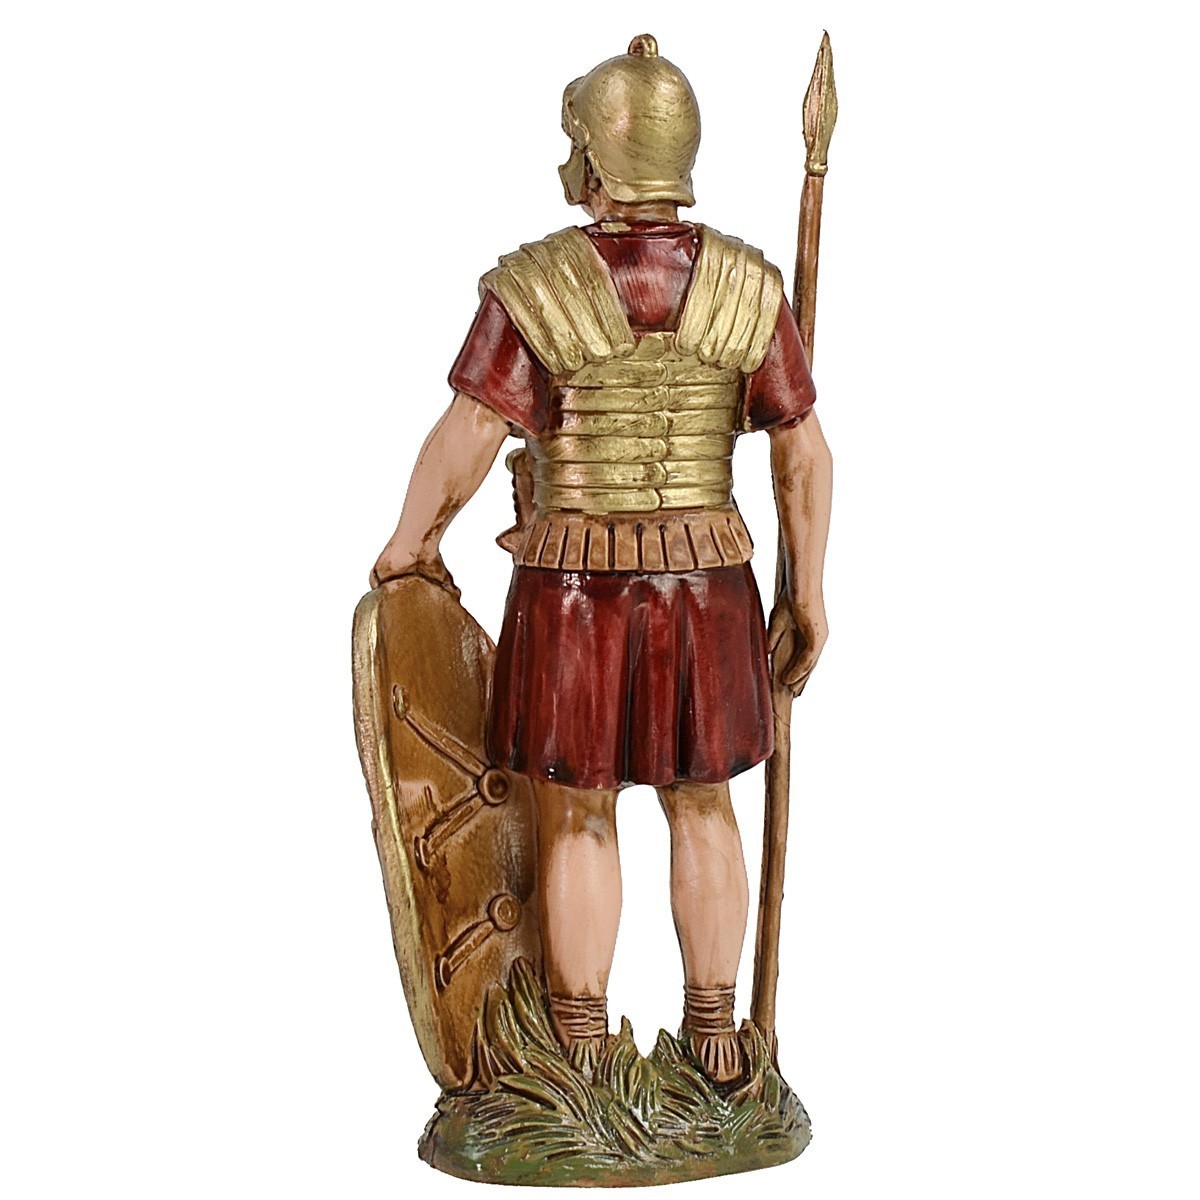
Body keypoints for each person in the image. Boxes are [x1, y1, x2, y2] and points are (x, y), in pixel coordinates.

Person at [371, 34, 832, 1084]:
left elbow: (469, 436)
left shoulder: (539, 288)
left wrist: (410, 545)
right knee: (703, 800)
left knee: (578, 808)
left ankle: (579, 1046)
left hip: (575, 588)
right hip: (707, 584)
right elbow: (803, 454)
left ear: (595, 156)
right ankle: (716, 1037)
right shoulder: (748, 288)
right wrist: (807, 591)